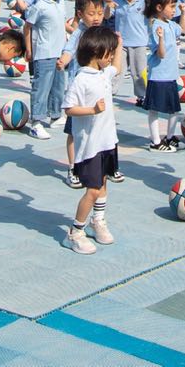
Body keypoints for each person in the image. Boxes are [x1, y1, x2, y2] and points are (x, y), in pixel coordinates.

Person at [60, 23, 122, 253]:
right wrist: (93, 110)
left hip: (107, 141)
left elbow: (116, 67)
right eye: (109, 52)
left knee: (103, 183)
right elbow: (68, 108)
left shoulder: (103, 72)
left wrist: (119, 45)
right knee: (93, 189)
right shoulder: (81, 79)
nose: (112, 57)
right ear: (96, 53)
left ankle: (99, 221)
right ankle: (75, 231)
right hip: (90, 145)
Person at [26, 0, 72, 140]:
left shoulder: (60, 3)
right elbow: (27, 27)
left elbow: (62, 24)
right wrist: (29, 48)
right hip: (44, 53)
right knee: (41, 88)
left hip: (60, 52)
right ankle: (36, 122)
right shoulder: (40, 6)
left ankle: (55, 115)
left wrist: (75, 33)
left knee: (58, 87)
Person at [141, 0, 183, 151]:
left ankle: (170, 137)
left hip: (171, 75)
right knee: (154, 109)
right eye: (171, 7)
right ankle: (156, 141)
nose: (174, 10)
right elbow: (161, 54)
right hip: (158, 75)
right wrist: (160, 38)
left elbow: (183, 30)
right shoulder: (155, 26)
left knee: (174, 109)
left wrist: (184, 13)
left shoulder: (170, 24)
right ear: (159, 8)